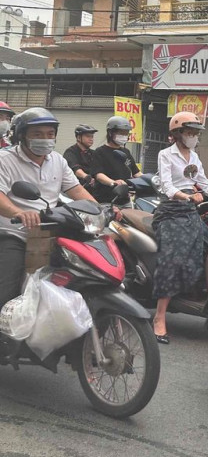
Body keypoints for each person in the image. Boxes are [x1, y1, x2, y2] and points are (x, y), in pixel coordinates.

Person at [0, 108, 97, 309]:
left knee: (71, 277)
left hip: (48, 231)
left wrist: (99, 210)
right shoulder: (5, 159)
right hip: (14, 233)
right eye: (37, 134)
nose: (45, 139)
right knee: (7, 290)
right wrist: (19, 213)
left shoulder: (58, 160)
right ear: (22, 136)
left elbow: (76, 190)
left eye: (50, 134)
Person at [152, 112, 208, 343]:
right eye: (190, 132)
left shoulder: (194, 157)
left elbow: (204, 181)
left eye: (196, 133)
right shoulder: (166, 155)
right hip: (171, 210)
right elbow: (167, 186)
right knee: (173, 257)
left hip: (190, 211)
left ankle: (193, 292)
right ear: (177, 133)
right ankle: (159, 316)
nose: (193, 136)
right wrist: (187, 196)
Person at [90, 116, 140, 202]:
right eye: (121, 133)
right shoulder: (100, 152)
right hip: (106, 201)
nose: (124, 136)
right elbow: (99, 175)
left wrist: (151, 180)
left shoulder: (126, 152)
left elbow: (136, 173)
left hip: (125, 200)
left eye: (126, 133)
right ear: (110, 133)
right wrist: (113, 182)